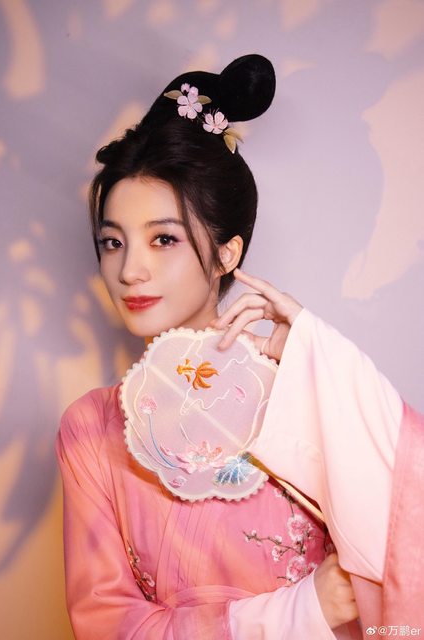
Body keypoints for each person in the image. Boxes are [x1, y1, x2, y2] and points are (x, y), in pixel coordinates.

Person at [56, 54, 377, 639]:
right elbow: (107, 626)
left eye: (163, 239)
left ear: (228, 252)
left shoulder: (300, 384)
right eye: (112, 242)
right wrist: (300, 611)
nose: (129, 270)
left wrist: (321, 360)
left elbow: (404, 524)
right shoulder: (91, 429)